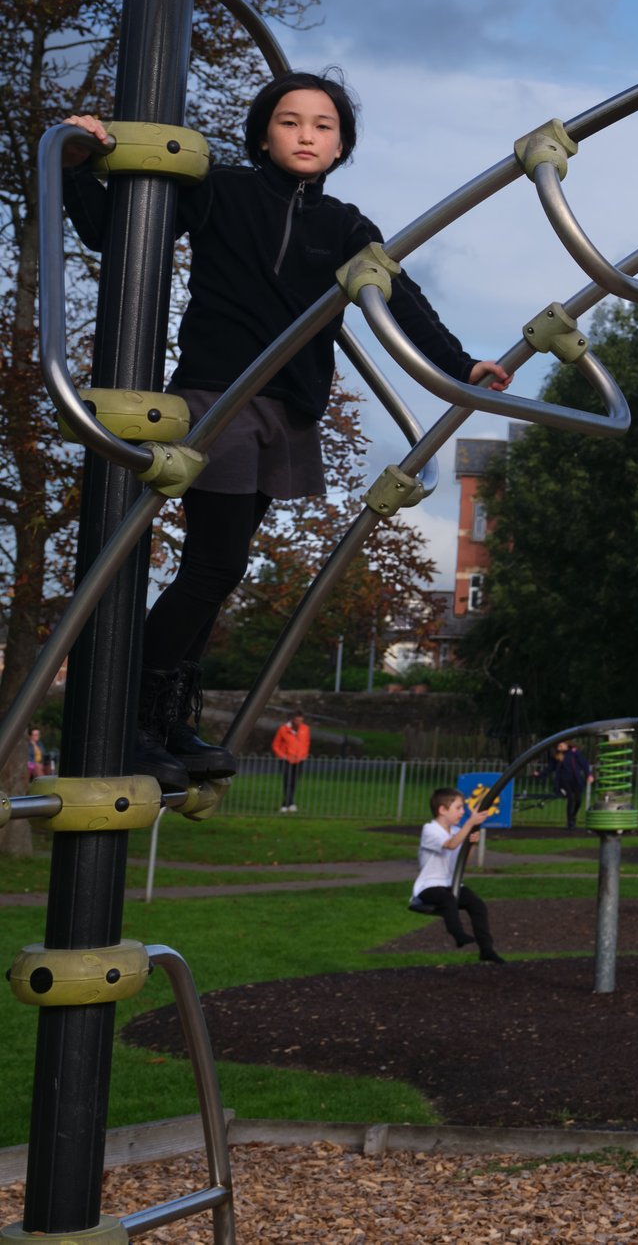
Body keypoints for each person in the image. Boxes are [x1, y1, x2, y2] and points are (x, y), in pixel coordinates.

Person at [61, 74, 508, 794]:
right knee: (214, 563)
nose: (306, 134)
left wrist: (459, 362)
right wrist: (79, 170)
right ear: (263, 133)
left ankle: (168, 716)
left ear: (341, 145)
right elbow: (118, 235)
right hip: (221, 395)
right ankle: (133, 720)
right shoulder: (221, 190)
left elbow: (399, 295)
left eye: (323, 125)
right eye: (290, 120)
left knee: (222, 566)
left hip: (287, 410)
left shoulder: (346, 227)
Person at [412, 787, 504, 963]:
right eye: (458, 808)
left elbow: (462, 861)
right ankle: (458, 934)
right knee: (447, 899)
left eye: (463, 808)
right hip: (429, 886)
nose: (462, 812)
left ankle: (486, 949)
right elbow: (451, 845)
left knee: (477, 904)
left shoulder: (456, 831)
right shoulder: (430, 829)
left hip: (451, 884)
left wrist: (472, 844)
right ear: (442, 810)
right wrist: (469, 824)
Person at [271, 711, 311, 813]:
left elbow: (306, 743)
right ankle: (286, 803)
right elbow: (276, 745)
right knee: (287, 781)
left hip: (299, 760)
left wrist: (303, 755)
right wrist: (283, 756)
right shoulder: (283, 729)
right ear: (292, 719)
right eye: (297, 720)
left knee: (294, 782)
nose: (299, 723)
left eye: (301, 720)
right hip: (286, 760)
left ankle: (289, 803)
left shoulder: (305, 729)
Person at [549, 738, 590, 830]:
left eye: (561, 745)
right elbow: (550, 768)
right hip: (563, 781)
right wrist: (539, 774)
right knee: (571, 798)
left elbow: (584, 764)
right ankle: (570, 822)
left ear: (567, 745)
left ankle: (573, 815)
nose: (559, 747)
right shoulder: (557, 756)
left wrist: (588, 775)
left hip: (575, 780)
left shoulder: (574, 753)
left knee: (578, 800)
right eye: (558, 746)